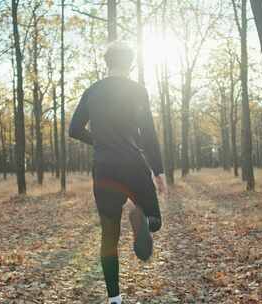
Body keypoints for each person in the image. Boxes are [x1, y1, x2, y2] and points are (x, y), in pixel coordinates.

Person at [69, 41, 166, 304]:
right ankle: (141, 219)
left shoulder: (92, 91)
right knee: (154, 219)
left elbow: (74, 129)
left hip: (104, 169)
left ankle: (115, 299)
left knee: (109, 235)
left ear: (107, 63)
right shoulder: (137, 90)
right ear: (131, 64)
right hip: (133, 164)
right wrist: (158, 171)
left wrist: (100, 141)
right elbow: (148, 133)